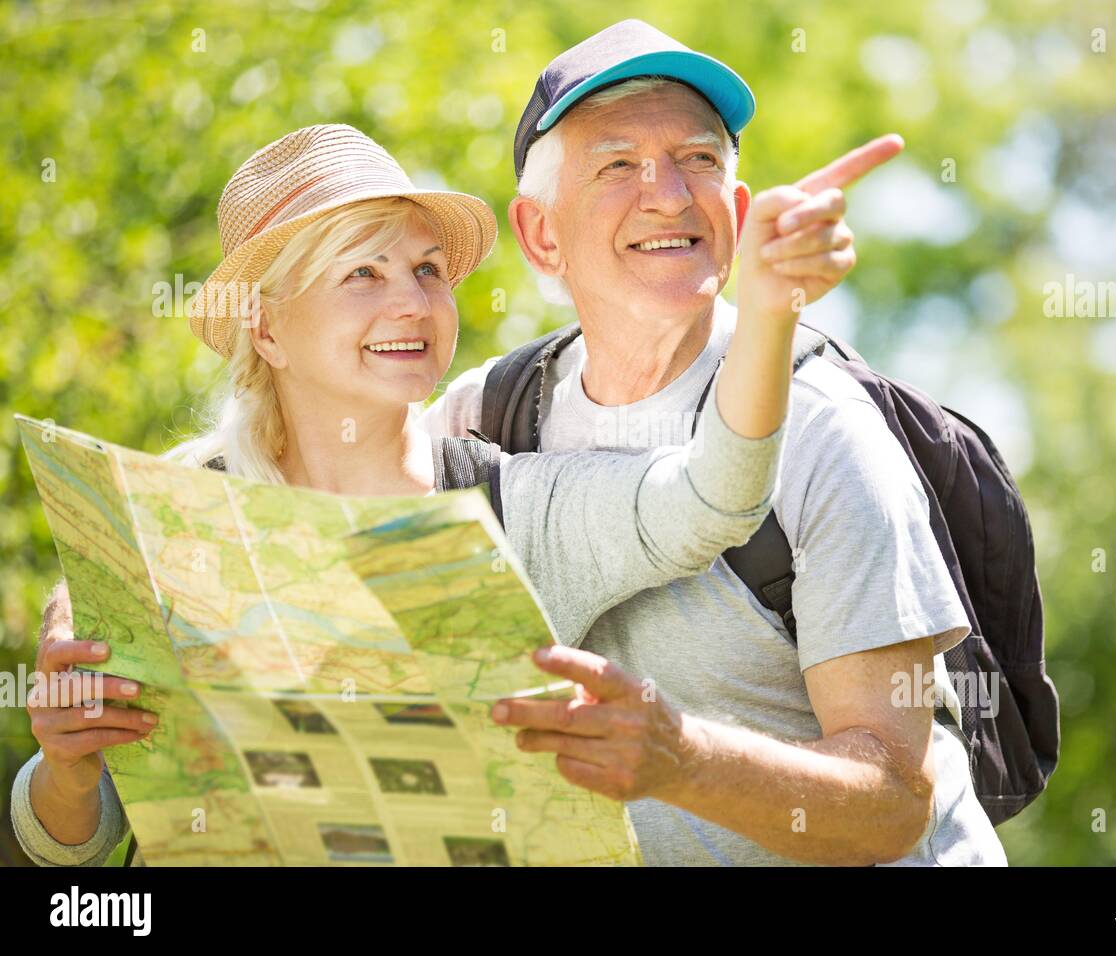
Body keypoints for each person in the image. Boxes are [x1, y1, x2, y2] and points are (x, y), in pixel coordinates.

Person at [14, 120, 864, 865]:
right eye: (362, 276)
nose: (413, 303)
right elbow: (70, 847)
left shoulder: (515, 514)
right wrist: (68, 764)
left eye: (426, 269)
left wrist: (767, 312)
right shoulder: (168, 527)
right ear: (266, 326)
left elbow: (714, 498)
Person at [423, 19, 1009, 865]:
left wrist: (683, 760)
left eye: (698, 160)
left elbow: (893, 803)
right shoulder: (486, 418)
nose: (667, 193)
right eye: (617, 165)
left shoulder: (823, 431)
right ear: (541, 234)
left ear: (734, 214)